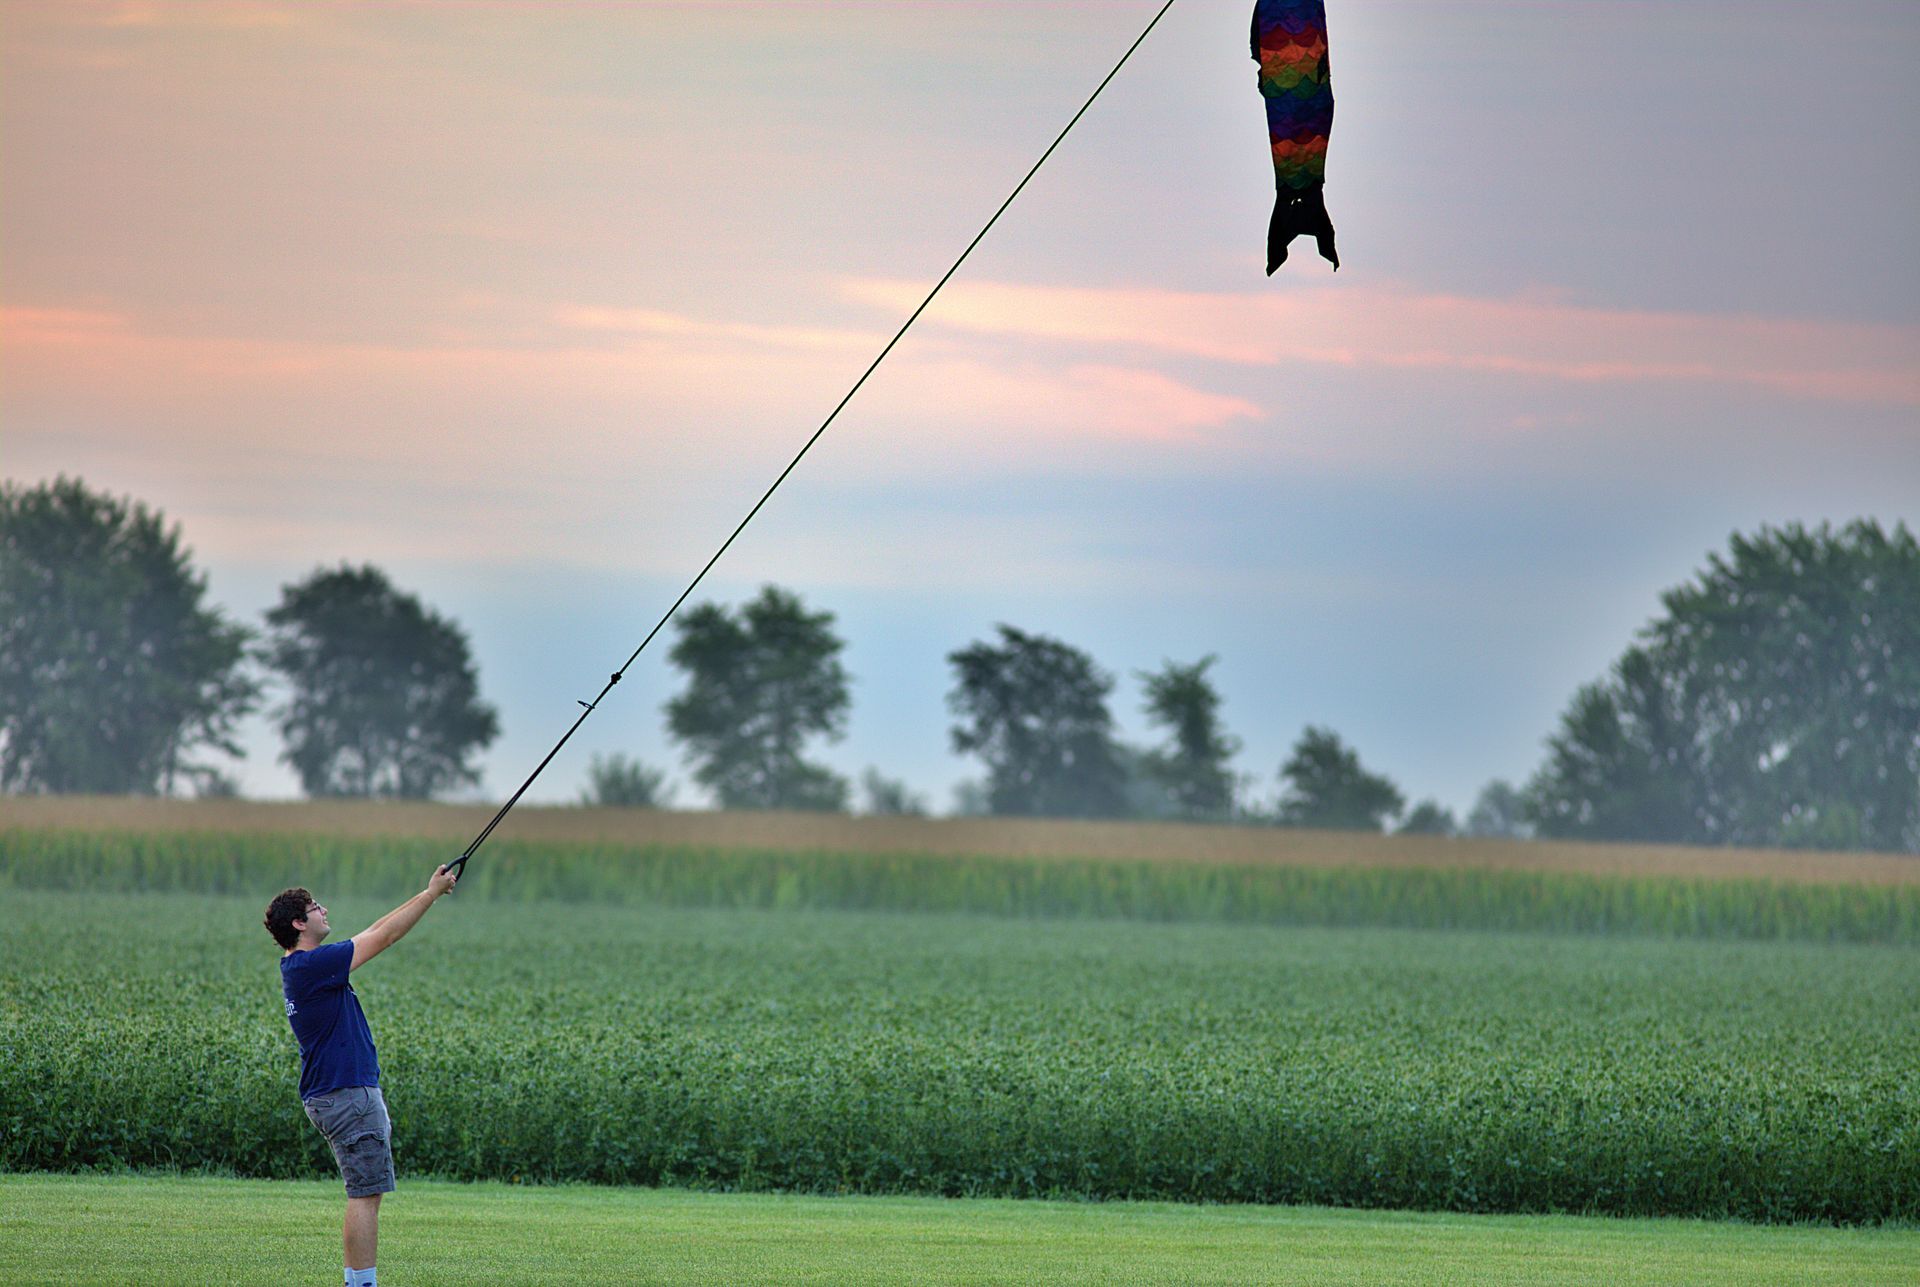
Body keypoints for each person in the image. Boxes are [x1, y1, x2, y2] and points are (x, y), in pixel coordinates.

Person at [264, 863, 458, 1287]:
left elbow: (375, 928)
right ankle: (362, 1284)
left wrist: (429, 892)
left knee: (366, 1191)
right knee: (365, 1195)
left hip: (336, 1093)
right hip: (347, 1095)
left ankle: (358, 1281)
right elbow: (385, 937)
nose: (323, 910)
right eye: (315, 907)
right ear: (300, 923)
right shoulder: (312, 966)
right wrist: (430, 896)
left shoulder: (305, 965)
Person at [1252, 0, 1339, 273]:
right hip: (1297, 64)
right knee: (1306, 111)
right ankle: (1303, 205)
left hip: (1296, 63)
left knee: (1304, 112)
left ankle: (1303, 205)